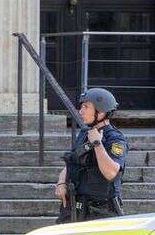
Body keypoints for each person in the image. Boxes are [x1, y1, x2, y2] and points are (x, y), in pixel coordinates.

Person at [55, 88, 128, 223]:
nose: (80, 111)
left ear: (101, 113)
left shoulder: (115, 139)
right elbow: (73, 160)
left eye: (86, 107)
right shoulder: (85, 133)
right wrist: (61, 182)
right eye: (81, 106)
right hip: (75, 207)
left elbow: (111, 173)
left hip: (100, 211)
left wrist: (97, 144)